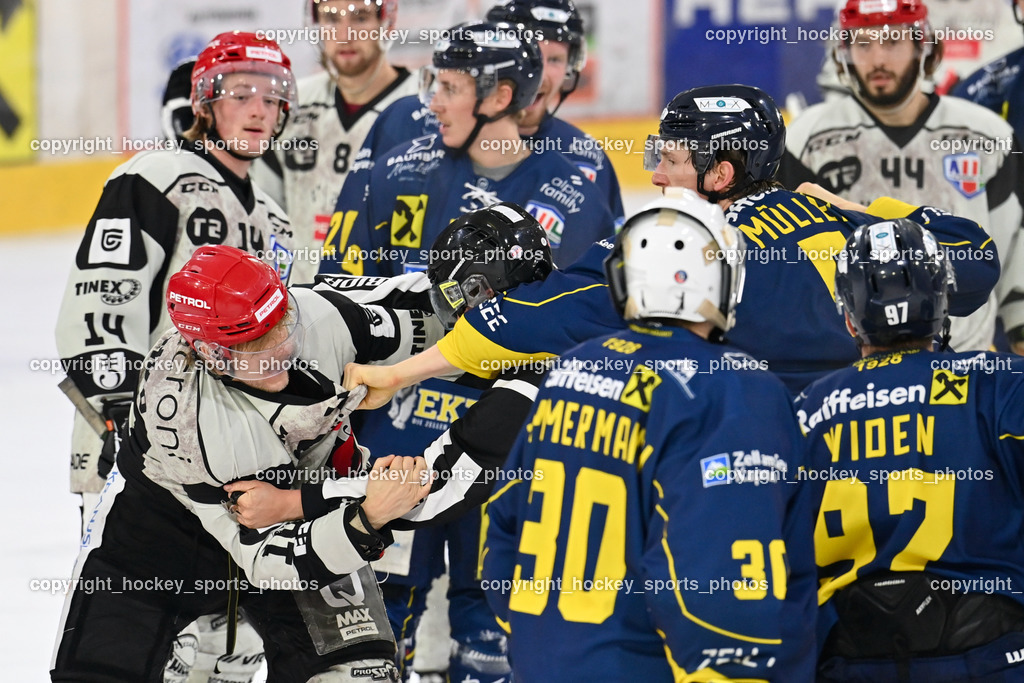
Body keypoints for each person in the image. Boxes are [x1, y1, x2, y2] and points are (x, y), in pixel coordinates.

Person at [345, 84, 1000, 402]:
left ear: (721, 174)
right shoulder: (859, 234)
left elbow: (538, 316)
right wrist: (861, 209)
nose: (655, 174)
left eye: (671, 159)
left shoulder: (690, 252)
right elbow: (976, 259)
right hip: (894, 462)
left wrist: (398, 372)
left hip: (768, 485)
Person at [51, 244, 449, 682]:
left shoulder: (318, 315)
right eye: (258, 352)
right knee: (93, 674)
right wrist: (364, 522)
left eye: (283, 330)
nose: (282, 355)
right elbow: (267, 559)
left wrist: (474, 293)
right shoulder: (190, 420)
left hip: (303, 506)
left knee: (358, 674)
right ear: (212, 355)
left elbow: (437, 317)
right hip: (159, 533)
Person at [481, 190, 817, 681]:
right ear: (724, 279)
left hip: (541, 663)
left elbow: (500, 530)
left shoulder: (571, 370)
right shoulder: (732, 387)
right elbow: (714, 588)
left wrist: (546, 638)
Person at [55, 31, 298, 682]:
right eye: (241, 93)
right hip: (140, 457)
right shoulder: (156, 177)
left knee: (225, 648)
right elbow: (104, 296)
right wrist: (116, 417)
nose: (258, 109)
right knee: (126, 646)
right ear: (205, 102)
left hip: (229, 468)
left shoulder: (277, 222)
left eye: (272, 96)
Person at [796, 218, 1024, 681]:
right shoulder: (1000, 382)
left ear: (848, 315)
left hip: (851, 662)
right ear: (942, 299)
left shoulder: (805, 409)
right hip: (990, 657)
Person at [779, 0, 1024, 354]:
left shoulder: (987, 134)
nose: (878, 58)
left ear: (923, 46)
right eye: (864, 43)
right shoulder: (806, 138)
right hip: (852, 363)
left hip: (963, 362)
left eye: (893, 41)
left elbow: (1013, 248)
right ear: (843, 53)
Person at [316, 0, 624, 272]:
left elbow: (597, 291)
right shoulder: (404, 127)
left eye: (554, 59)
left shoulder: (584, 163)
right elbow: (346, 264)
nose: (539, 73)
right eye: (529, 55)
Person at [251, 0, 420, 284]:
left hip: (392, 296)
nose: (345, 34)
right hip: (298, 296)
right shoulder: (291, 102)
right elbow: (263, 214)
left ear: (386, 21)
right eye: (331, 18)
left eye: (360, 17)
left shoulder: (427, 103)